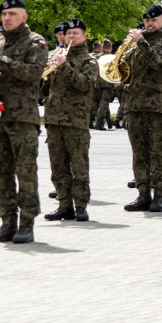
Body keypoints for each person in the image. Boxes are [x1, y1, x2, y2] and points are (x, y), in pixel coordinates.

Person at [0, 0, 49, 244]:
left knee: (25, 172)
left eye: (12, 13)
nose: (7, 18)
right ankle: (7, 222)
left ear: (24, 17)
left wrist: (3, 61)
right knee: (0, 172)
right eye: (4, 14)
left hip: (22, 119)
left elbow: (34, 74)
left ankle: (27, 223)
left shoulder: (35, 42)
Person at [42, 18, 99, 222]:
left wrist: (64, 66)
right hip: (54, 119)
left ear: (84, 36)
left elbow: (85, 85)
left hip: (76, 120)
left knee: (79, 166)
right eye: (68, 34)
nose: (71, 37)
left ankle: (81, 205)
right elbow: (44, 90)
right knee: (58, 167)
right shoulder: (55, 57)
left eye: (76, 33)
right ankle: (64, 204)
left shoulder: (89, 60)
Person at [122, 5, 162, 213]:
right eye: (146, 21)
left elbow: (160, 64)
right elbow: (126, 71)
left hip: (157, 107)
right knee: (139, 154)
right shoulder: (134, 45)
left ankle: (159, 196)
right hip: (134, 106)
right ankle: (143, 194)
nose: (149, 24)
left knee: (157, 153)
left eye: (154, 20)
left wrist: (141, 43)